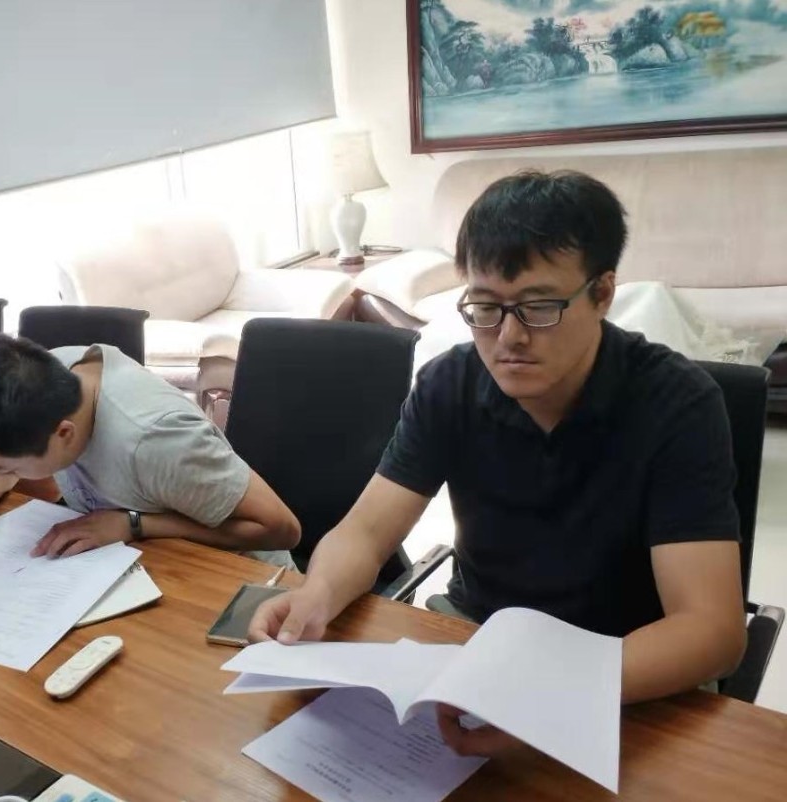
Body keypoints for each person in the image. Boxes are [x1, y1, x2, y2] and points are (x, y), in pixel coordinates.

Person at [250, 170, 747, 756]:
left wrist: (551, 697)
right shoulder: (450, 384)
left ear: (603, 292)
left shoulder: (676, 404)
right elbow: (366, 532)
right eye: (485, 307)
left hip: (621, 667)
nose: (509, 337)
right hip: (479, 642)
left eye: (538, 307)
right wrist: (317, 594)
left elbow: (711, 630)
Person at [0, 332, 301, 565]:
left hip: (237, 577)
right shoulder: (49, 375)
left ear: (63, 433)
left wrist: (134, 524)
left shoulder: (157, 440)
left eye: (8, 468)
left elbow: (282, 529)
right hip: (141, 561)